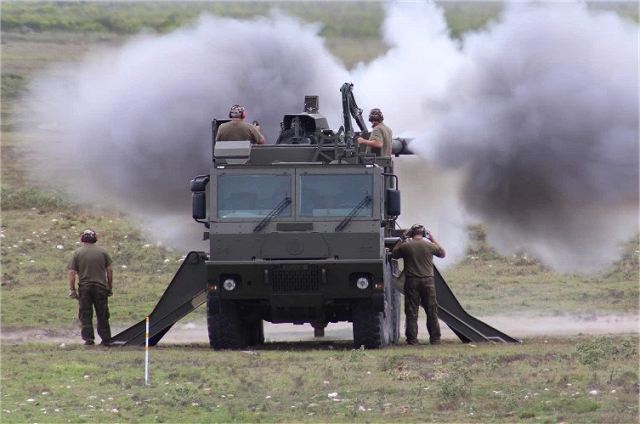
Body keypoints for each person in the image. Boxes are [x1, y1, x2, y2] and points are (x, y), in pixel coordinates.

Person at [392, 224, 446, 345]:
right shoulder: (430, 246)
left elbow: (394, 254)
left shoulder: (406, 246)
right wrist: (432, 239)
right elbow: (442, 254)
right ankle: (435, 339)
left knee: (412, 312)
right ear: (423, 233)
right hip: (428, 282)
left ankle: (412, 340)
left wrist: (402, 239)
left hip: (412, 282)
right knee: (431, 311)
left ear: (411, 233)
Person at [67, 229, 113, 346]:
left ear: (82, 239)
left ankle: (89, 339)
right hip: (100, 287)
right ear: (95, 238)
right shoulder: (103, 252)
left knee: (85, 314)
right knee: (102, 314)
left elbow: (72, 273)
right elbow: (109, 271)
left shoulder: (77, 253)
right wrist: (109, 287)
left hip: (85, 288)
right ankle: (106, 339)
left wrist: (72, 290)